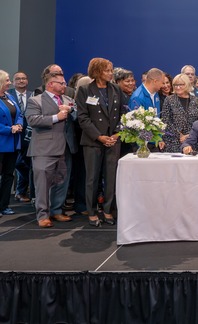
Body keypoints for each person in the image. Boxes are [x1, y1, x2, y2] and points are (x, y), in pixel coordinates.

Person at [76, 58, 128, 226]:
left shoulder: (116, 89)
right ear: (97, 72)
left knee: (111, 178)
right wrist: (99, 136)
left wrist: (117, 134)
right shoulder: (85, 90)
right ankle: (91, 212)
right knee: (92, 179)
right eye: (107, 70)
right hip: (93, 141)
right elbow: (82, 118)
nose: (111, 73)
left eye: (111, 70)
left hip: (113, 141)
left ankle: (107, 211)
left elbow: (124, 114)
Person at [26, 71, 76, 227]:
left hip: (65, 147)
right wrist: (56, 117)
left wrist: (71, 111)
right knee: (42, 184)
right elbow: (32, 119)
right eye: (61, 83)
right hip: (44, 148)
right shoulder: (36, 100)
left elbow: (78, 117)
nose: (64, 85)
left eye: (64, 82)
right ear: (50, 84)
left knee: (61, 181)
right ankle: (42, 215)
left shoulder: (68, 99)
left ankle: (56, 211)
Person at [161, 73, 198, 153]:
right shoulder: (169, 100)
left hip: (192, 142)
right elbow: (166, 121)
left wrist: (189, 136)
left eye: (181, 84)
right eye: (175, 85)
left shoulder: (196, 101)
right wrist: (180, 135)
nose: (178, 87)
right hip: (173, 142)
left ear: (187, 84)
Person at [0, 71, 24, 215]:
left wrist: (19, 125)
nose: (10, 82)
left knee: (9, 175)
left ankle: (4, 205)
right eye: (7, 80)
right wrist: (9, 129)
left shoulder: (9, 97)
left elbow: (19, 114)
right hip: (2, 141)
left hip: (13, 143)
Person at [8, 71, 33, 203]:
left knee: (25, 162)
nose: (21, 81)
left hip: (28, 135)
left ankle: (21, 191)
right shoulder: (8, 95)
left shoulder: (33, 95)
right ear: (13, 82)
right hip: (11, 133)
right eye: (18, 79)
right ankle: (23, 187)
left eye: (24, 78)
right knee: (16, 163)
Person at [129, 68, 165, 151]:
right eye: (162, 82)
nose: (163, 85)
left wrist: (159, 138)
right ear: (155, 81)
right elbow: (136, 125)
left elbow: (157, 119)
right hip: (142, 145)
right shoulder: (138, 97)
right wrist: (142, 146)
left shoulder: (155, 94)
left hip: (154, 142)